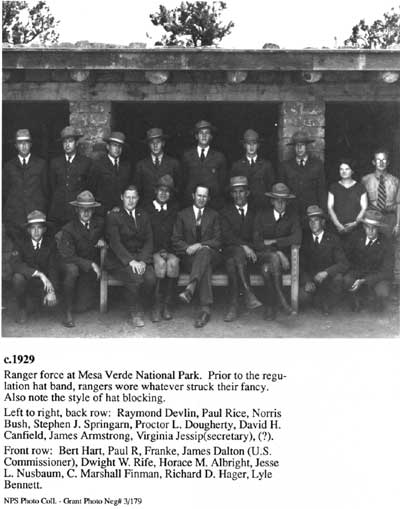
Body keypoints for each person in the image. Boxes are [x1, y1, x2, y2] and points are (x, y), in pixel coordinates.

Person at [104, 186, 155, 328]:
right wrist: (131, 261)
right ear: (122, 197)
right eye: (128, 197)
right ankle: (134, 311)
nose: (131, 201)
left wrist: (143, 261)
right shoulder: (114, 216)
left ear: (138, 198)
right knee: (136, 278)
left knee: (150, 278)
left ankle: (140, 304)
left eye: (134, 197)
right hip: (119, 259)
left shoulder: (143, 215)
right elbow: (115, 242)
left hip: (140, 258)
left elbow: (149, 240)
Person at [172, 184, 222, 328]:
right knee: (204, 267)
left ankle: (191, 288)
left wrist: (199, 245)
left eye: (204, 196)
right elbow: (175, 240)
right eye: (199, 195)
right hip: (190, 258)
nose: (201, 199)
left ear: (208, 198)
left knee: (205, 251)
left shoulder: (214, 215)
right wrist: (187, 247)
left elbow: (218, 240)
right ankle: (205, 310)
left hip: (212, 255)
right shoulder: (182, 214)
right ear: (193, 195)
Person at [253, 183, 301, 320]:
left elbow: (297, 237)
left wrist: (273, 242)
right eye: (277, 200)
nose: (280, 204)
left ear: (287, 202)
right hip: (262, 255)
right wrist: (279, 252)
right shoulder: (262, 215)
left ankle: (270, 306)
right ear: (272, 201)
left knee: (266, 270)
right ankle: (282, 302)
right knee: (273, 257)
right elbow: (257, 242)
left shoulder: (292, 216)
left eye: (283, 200)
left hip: (278, 262)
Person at [58, 191, 105, 328]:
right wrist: (90, 264)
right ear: (76, 210)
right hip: (73, 266)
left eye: (89, 209)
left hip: (88, 273)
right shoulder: (68, 229)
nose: (86, 213)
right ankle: (67, 312)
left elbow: (110, 236)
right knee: (72, 270)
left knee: (83, 306)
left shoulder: (100, 224)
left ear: (93, 210)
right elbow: (68, 256)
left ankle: (81, 300)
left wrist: (104, 240)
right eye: (82, 209)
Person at [220, 176, 262, 322]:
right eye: (235, 192)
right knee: (236, 254)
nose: (238, 195)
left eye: (241, 191)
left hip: (251, 257)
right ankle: (248, 293)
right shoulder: (225, 212)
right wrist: (244, 246)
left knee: (232, 263)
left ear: (247, 193)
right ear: (231, 194)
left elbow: (257, 235)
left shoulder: (255, 212)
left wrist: (248, 248)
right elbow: (226, 236)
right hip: (230, 251)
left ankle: (234, 306)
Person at [299, 205, 349, 315]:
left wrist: (326, 272)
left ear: (323, 222)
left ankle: (327, 302)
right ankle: (316, 300)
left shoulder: (333, 239)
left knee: (338, 279)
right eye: (310, 221)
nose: (313, 223)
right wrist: (306, 281)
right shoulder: (304, 240)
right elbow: (300, 264)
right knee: (302, 299)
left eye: (316, 220)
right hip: (311, 280)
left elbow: (343, 264)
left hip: (328, 280)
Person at [11, 211, 58, 324]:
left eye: (39, 228)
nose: (36, 231)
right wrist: (38, 273)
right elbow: (15, 264)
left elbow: (54, 268)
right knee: (18, 278)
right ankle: (22, 309)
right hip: (28, 283)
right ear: (28, 230)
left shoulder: (51, 244)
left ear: (44, 229)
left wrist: (51, 291)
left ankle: (40, 302)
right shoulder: (20, 243)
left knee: (51, 307)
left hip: (44, 285)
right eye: (33, 228)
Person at [144, 175, 180, 322]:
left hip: (170, 249)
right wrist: (158, 251)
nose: (163, 193)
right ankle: (156, 305)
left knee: (173, 263)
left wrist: (168, 250)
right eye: (161, 190)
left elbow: (176, 233)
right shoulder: (147, 209)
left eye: (167, 191)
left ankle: (167, 305)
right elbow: (146, 234)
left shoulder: (174, 210)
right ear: (155, 191)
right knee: (160, 264)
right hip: (153, 250)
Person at [3, 129, 48, 243]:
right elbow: (4, 192)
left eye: (26, 142)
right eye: (20, 143)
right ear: (15, 145)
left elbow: (47, 191)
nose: (23, 146)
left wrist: (42, 211)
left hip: (35, 216)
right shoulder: (8, 166)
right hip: (15, 217)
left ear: (31, 144)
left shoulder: (41, 164)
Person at [344, 209, 393, 312]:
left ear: (378, 229)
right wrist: (353, 275)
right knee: (347, 280)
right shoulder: (356, 237)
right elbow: (347, 258)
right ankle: (357, 300)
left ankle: (375, 302)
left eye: (374, 228)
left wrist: (366, 280)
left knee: (382, 292)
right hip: (358, 273)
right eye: (367, 227)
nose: (370, 231)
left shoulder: (386, 243)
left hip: (376, 276)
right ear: (363, 227)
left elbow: (387, 271)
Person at [48, 126, 94, 231]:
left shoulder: (86, 162)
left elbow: (89, 186)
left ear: (76, 143)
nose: (67, 145)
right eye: (65, 142)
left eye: (70, 141)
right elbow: (52, 186)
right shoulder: (55, 163)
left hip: (76, 211)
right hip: (58, 211)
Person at [279, 130, 326, 226]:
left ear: (307, 147)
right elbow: (282, 192)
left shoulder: (317, 165)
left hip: (311, 211)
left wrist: (323, 212)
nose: (299, 148)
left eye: (302, 145)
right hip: (292, 211)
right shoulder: (286, 166)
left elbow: (321, 190)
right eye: (296, 145)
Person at [182, 120, 227, 211]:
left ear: (211, 136)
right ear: (196, 136)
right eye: (201, 133)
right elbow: (183, 180)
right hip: (191, 203)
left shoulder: (219, 157)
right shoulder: (187, 156)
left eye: (207, 133)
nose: (204, 135)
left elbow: (222, 182)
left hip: (213, 203)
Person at [327, 158, 368, 253]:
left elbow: (364, 207)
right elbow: (330, 207)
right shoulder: (333, 187)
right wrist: (338, 225)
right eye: (341, 169)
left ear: (352, 171)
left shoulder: (360, 187)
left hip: (355, 228)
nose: (344, 171)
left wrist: (355, 223)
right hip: (337, 228)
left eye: (347, 169)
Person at [135, 128, 182, 208]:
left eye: (158, 142)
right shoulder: (141, 165)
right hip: (146, 209)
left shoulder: (173, 163)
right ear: (148, 144)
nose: (155, 145)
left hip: (168, 209)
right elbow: (138, 190)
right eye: (152, 143)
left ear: (163, 143)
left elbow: (178, 187)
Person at [230, 129, 275, 209]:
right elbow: (233, 189)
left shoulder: (266, 165)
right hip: (244, 206)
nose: (251, 147)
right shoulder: (237, 166)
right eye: (248, 144)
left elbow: (270, 187)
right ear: (244, 145)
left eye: (254, 143)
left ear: (258, 145)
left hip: (262, 206)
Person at [92, 131, 133, 215]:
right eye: (114, 145)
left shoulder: (126, 166)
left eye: (120, 146)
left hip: (122, 211)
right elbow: (92, 190)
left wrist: (121, 207)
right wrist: (103, 210)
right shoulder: (98, 165)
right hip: (102, 213)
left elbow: (127, 190)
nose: (117, 149)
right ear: (108, 146)